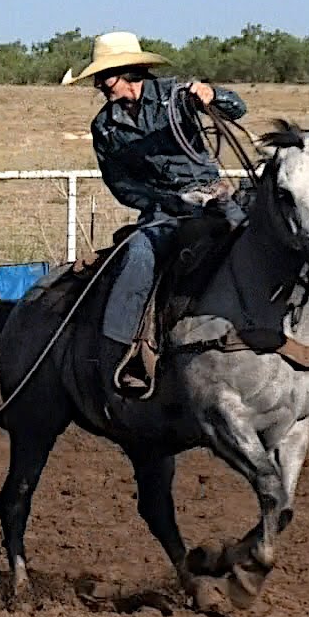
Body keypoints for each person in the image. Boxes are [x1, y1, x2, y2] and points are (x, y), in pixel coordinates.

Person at [62, 32, 248, 398]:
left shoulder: (176, 96)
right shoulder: (104, 127)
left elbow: (236, 109)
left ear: (128, 71)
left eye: (105, 77)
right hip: (162, 211)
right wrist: (166, 200)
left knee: (253, 239)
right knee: (139, 253)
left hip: (212, 196)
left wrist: (213, 95)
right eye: (99, 78)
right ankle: (128, 349)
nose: (100, 85)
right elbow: (120, 185)